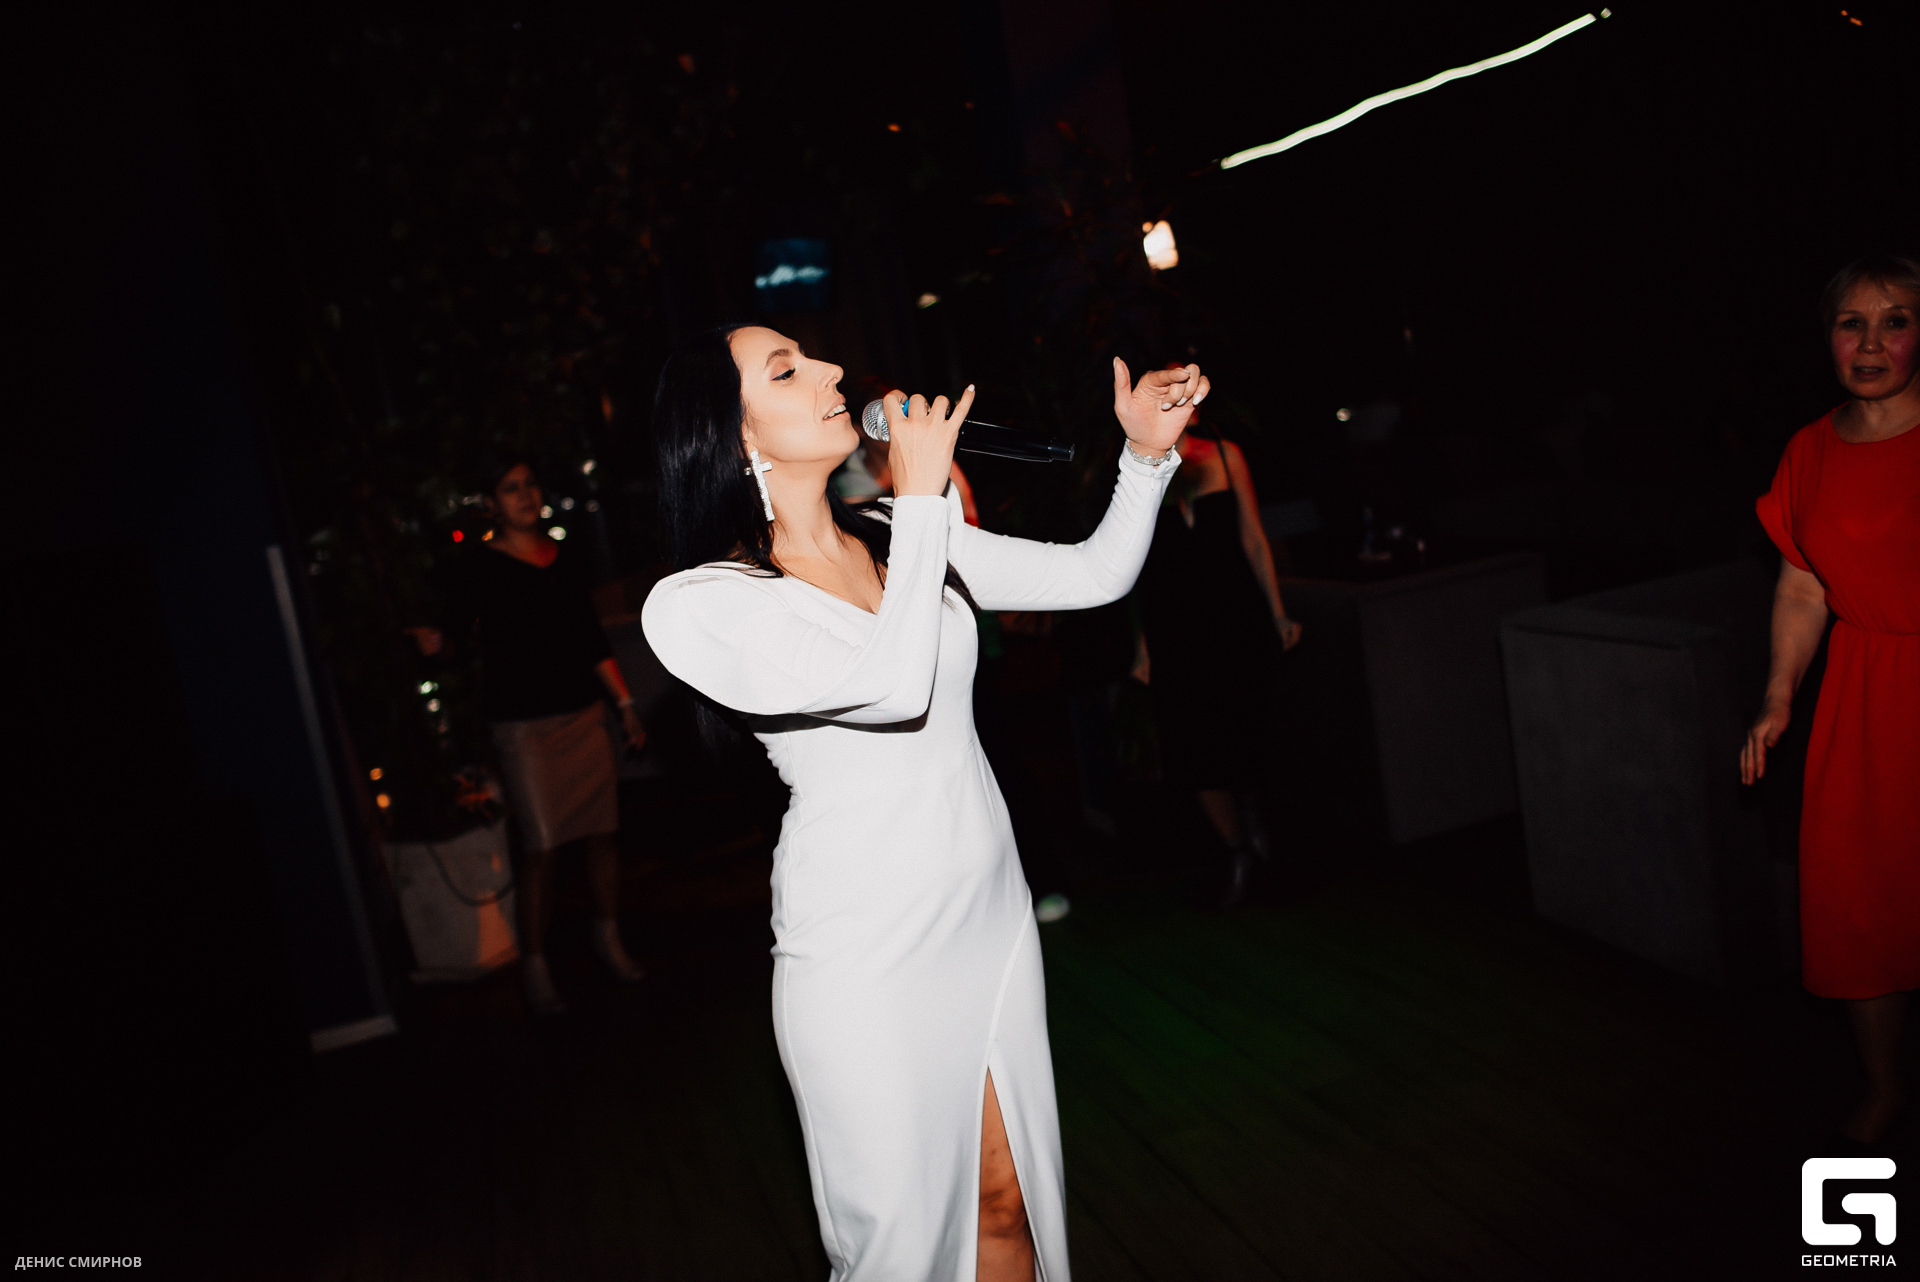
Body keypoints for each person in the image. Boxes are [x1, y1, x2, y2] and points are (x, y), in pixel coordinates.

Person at [641, 324, 1204, 1281]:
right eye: (787, 371)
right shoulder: (700, 602)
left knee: (1010, 1208)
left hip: (988, 919)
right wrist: (921, 497)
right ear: (735, 436)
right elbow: (891, 688)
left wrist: (1146, 456)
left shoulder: (896, 532)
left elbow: (1094, 575)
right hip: (865, 955)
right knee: (903, 1254)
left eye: (813, 356)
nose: (829, 371)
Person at [1742, 252, 1920, 1146]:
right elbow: (1803, 586)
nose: (1872, 342)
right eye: (1853, 323)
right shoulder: (1808, 450)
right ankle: (1887, 1087)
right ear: (1828, 338)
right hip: (1861, 697)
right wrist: (1778, 696)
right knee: (1859, 900)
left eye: (1895, 320)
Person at [411, 458, 648, 1016]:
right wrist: (435, 646)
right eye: (510, 488)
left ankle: (608, 938)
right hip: (523, 728)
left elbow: (591, 640)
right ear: (492, 503)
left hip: (584, 717)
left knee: (603, 835)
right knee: (542, 847)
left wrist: (625, 705)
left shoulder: (563, 557)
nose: (525, 495)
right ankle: (535, 965)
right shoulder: (478, 566)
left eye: (530, 485)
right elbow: (454, 643)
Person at [1134, 403, 1302, 906]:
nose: (1179, 401)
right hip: (1176, 628)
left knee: (1245, 731)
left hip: (1235, 618)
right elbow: (1136, 566)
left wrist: (1277, 613)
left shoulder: (1226, 456)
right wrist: (1142, 646)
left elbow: (1253, 537)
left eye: (1186, 392)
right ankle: (1237, 850)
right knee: (1191, 745)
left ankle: (1255, 825)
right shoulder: (1139, 465)